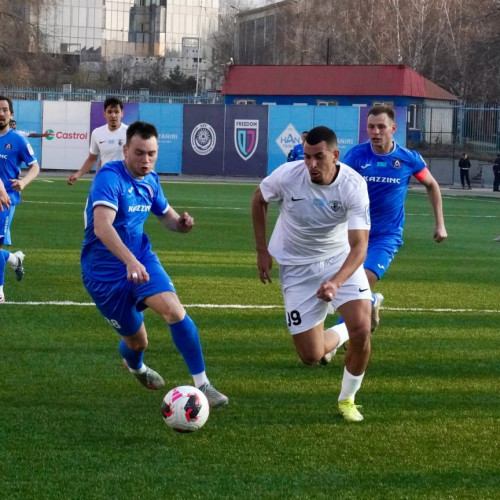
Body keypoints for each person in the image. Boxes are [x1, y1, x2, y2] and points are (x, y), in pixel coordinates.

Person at [80, 121, 228, 407]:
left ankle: (203, 385)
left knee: (174, 311)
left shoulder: (151, 181)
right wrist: (129, 261)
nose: (145, 160)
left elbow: (166, 216)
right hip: (103, 273)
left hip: (141, 259)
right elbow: (102, 227)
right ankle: (136, 367)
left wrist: (181, 224)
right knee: (138, 343)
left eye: (151, 153)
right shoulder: (109, 177)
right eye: (139, 153)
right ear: (125, 150)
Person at [252, 125, 372, 423]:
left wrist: (336, 282)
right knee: (311, 355)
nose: (311, 164)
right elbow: (259, 199)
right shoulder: (288, 175)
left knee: (361, 329)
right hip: (296, 268)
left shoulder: (353, 185)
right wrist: (262, 250)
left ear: (335, 155)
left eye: (319, 157)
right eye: (307, 156)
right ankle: (342, 332)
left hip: (339, 260)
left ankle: (347, 399)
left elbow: (359, 247)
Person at [343, 105, 447, 331]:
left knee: (360, 282)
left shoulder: (409, 159)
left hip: (386, 236)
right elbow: (338, 187)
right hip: (354, 232)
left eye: (381, 127)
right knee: (349, 286)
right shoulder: (356, 156)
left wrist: (440, 224)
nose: (375, 132)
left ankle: (338, 336)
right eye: (371, 127)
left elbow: (432, 185)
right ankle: (372, 301)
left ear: (393, 128)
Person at [0, 96, 40, 303]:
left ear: (11, 114)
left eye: (4, 110)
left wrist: (23, 182)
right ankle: (15, 259)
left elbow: (35, 166)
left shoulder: (18, 140)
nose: (0, 113)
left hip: (5, 201)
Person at [67, 97, 128, 185]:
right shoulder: (97, 133)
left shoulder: (130, 132)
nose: (113, 115)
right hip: (106, 180)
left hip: (125, 181)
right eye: (109, 112)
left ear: (122, 113)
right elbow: (92, 159)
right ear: (104, 114)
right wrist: (78, 174)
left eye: (116, 112)